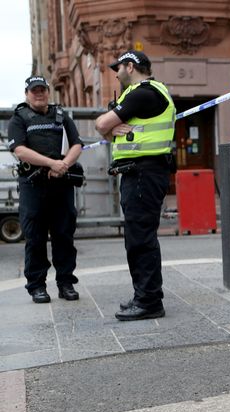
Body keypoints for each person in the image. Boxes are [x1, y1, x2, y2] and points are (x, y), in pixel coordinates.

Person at [95, 50, 176, 321]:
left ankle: (149, 301)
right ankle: (144, 295)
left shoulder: (143, 93)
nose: (116, 73)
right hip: (139, 173)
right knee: (137, 238)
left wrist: (107, 126)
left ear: (130, 66)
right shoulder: (145, 94)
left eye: (118, 68)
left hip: (144, 173)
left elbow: (102, 124)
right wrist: (109, 128)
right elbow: (108, 130)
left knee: (140, 239)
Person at [7, 76, 82, 303]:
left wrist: (64, 165)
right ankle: (37, 285)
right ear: (27, 93)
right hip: (33, 185)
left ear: (48, 92)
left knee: (64, 235)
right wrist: (51, 163)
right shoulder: (19, 118)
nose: (39, 94)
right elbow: (19, 150)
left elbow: (77, 144)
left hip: (61, 183)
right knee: (35, 237)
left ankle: (66, 282)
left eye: (42, 90)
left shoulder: (61, 116)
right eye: (34, 90)